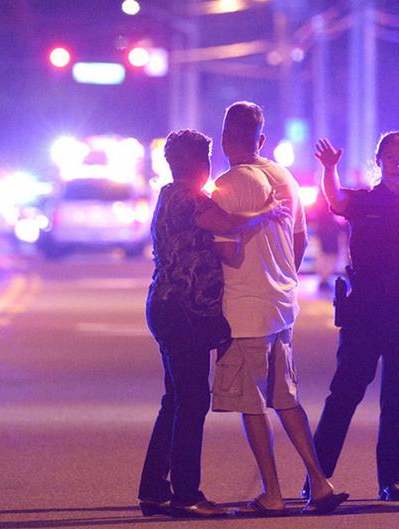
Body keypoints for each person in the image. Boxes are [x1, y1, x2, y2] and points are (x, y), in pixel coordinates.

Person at [138, 129, 286, 518]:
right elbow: (231, 222)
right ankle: (186, 494)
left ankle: (154, 489)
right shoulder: (190, 199)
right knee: (191, 401)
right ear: (200, 164)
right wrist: (268, 212)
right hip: (183, 312)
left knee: (174, 400)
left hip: (166, 307)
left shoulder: (168, 194)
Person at [209, 101, 348, 517]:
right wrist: (281, 270)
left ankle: (272, 493)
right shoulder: (286, 178)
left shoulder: (228, 184)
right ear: (262, 139)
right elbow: (300, 241)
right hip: (282, 305)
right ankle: (319, 483)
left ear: (224, 140)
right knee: (287, 399)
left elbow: (227, 252)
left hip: (244, 308)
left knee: (252, 405)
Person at [309, 131, 399, 502]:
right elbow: (335, 200)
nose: (398, 161)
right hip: (366, 312)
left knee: (395, 402)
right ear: (379, 160)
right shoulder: (365, 201)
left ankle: (391, 481)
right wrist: (330, 168)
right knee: (344, 394)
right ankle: (316, 477)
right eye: (391, 155)